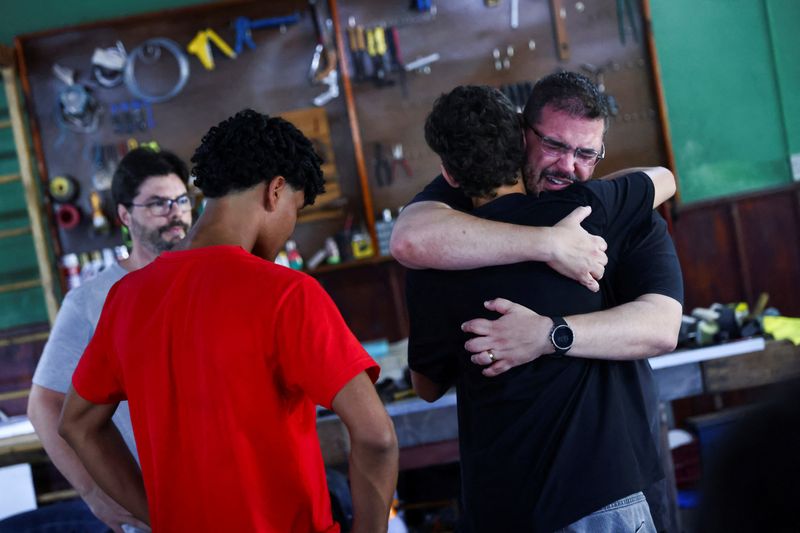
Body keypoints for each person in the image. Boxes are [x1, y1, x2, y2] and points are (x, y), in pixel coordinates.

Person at [58, 109, 399, 533]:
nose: (288, 231)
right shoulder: (286, 294)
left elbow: (76, 423)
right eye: (294, 210)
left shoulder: (126, 299)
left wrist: (159, 517)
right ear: (275, 192)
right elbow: (376, 437)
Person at [392, 72, 684, 532]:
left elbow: (662, 327)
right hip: (536, 500)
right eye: (553, 145)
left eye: (586, 153)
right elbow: (407, 238)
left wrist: (549, 334)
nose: (569, 166)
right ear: (522, 134)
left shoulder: (612, 212)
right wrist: (547, 244)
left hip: (595, 485)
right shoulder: (445, 240)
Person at [0, 148, 192, 533]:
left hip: (219, 489)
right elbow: (44, 405)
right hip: (149, 506)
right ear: (124, 215)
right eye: (158, 203)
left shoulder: (204, 279)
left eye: (182, 200)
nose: (175, 212)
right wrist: (92, 491)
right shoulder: (91, 300)